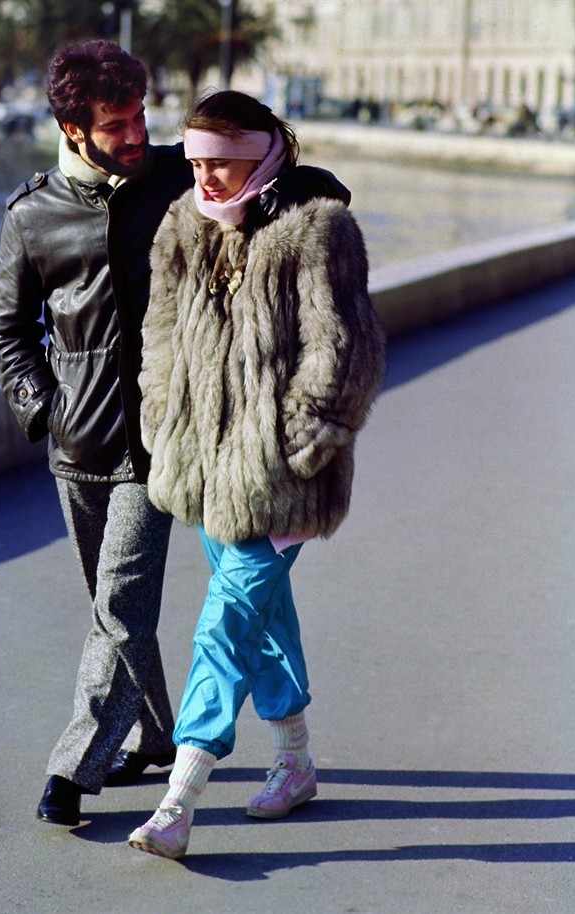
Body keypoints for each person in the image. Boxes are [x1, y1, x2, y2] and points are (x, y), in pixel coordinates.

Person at [0, 41, 352, 828]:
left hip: (164, 443)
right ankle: (162, 736)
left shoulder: (177, 179)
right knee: (116, 608)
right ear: (73, 129)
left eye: (139, 116)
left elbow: (303, 189)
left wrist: (283, 182)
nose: (135, 134)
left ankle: (81, 769)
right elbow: (8, 333)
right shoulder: (31, 214)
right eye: (115, 124)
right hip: (77, 443)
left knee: (125, 605)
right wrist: (44, 409)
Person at [127, 90, 386, 860]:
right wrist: (160, 417)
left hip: (282, 479)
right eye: (196, 161)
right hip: (206, 467)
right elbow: (159, 337)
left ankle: (179, 801)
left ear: (264, 152)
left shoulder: (318, 230)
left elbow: (345, 348)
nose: (205, 177)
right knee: (264, 619)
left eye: (221, 162)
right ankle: (295, 763)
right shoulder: (183, 225)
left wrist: (301, 447)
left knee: (225, 623)